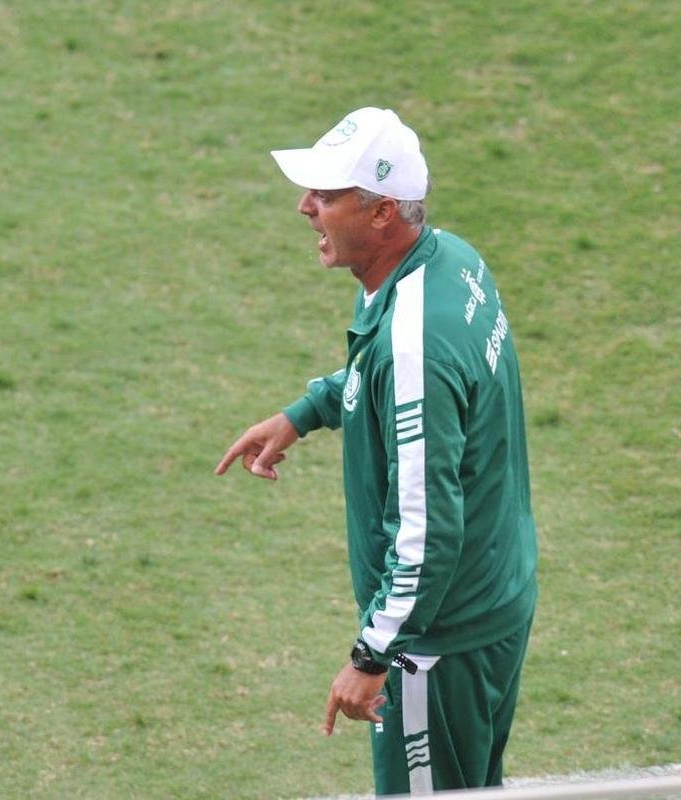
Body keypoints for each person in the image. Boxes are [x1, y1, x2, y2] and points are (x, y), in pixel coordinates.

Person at [215, 107, 538, 796]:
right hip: (492, 600)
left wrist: (374, 654)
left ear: (384, 214)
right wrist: (308, 411)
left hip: (439, 644)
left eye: (327, 196)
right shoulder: (451, 259)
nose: (306, 208)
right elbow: (404, 382)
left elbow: (427, 529)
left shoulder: (417, 342)